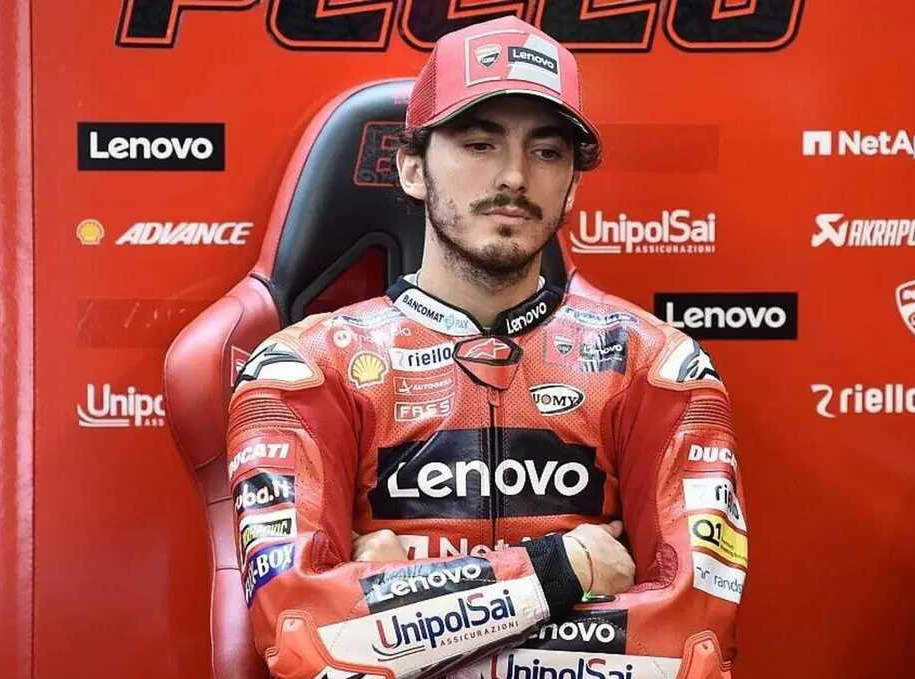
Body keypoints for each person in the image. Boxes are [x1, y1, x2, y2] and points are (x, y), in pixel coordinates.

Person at [226, 15, 748, 679]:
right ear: (412, 169)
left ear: (573, 186)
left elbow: (690, 643)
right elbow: (309, 637)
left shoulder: (658, 367)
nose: (513, 175)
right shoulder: (301, 371)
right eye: (479, 143)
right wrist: (565, 568)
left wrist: (401, 609)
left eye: (547, 152)